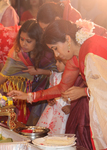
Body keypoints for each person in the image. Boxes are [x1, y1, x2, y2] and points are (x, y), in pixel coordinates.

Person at [8, 19, 107, 149]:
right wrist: (29, 96)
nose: (56, 54)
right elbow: (62, 88)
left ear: (67, 39)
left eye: (55, 48)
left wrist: (83, 92)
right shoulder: (75, 57)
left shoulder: (91, 50)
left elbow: (103, 87)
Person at [0, 19, 56, 124]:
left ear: (38, 41)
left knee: (40, 123)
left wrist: (39, 71)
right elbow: (5, 72)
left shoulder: (48, 53)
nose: (24, 44)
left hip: (47, 92)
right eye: (21, 39)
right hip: (27, 93)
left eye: (28, 41)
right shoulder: (17, 52)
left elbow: (59, 72)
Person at [36, 57, 70, 134]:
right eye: (56, 61)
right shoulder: (55, 76)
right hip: (52, 111)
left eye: (60, 61)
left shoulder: (75, 78)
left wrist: (71, 106)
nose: (56, 64)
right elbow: (50, 91)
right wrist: (50, 99)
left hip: (66, 113)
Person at [37, 1, 107, 37]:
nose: (45, 32)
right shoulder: (64, 20)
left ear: (57, 19)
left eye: (46, 28)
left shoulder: (73, 26)